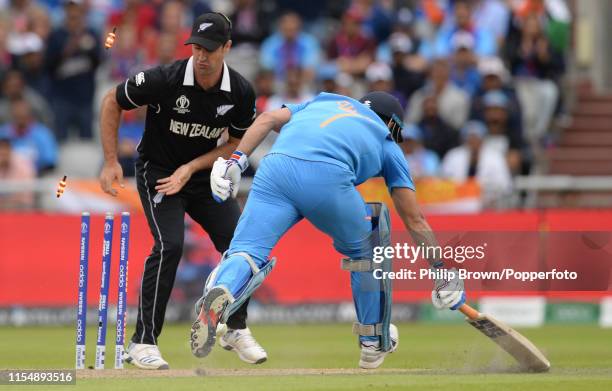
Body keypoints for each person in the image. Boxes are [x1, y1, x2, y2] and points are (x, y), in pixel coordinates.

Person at [192, 91, 466, 368]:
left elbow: (267, 118)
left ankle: (221, 289)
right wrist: (442, 271)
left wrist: (236, 160)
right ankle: (373, 341)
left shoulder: (322, 102)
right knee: (369, 244)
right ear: (393, 125)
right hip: (327, 177)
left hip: (275, 167)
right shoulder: (385, 140)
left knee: (246, 251)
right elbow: (414, 219)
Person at [98, 12, 265, 370]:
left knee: (242, 246)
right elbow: (112, 101)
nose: (201, 56)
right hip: (158, 172)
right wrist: (111, 161)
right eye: (196, 48)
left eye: (209, 49)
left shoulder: (240, 91)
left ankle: (235, 328)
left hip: (201, 177)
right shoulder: (165, 78)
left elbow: (237, 141)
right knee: (170, 245)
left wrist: (192, 168)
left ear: (227, 48)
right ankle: (143, 342)